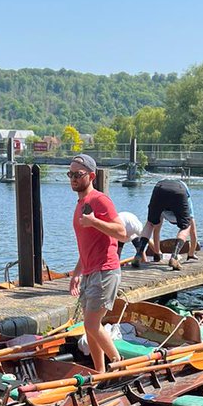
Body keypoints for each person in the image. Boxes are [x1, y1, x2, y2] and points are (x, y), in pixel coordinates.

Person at [67, 153, 126, 372]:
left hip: (106, 270)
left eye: (78, 174)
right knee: (89, 327)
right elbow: (87, 246)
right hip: (90, 272)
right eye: (70, 174)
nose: (73, 178)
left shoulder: (99, 200)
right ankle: (100, 373)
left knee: (92, 324)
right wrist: (76, 273)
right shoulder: (80, 203)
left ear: (91, 176)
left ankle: (119, 364)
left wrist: (94, 221)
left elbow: (121, 232)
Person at [131, 178, 199, 271]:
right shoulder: (187, 200)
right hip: (178, 192)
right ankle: (174, 257)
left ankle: (138, 254)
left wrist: (157, 253)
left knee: (150, 223)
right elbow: (193, 233)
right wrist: (191, 254)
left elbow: (156, 230)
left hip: (159, 189)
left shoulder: (162, 212)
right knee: (186, 226)